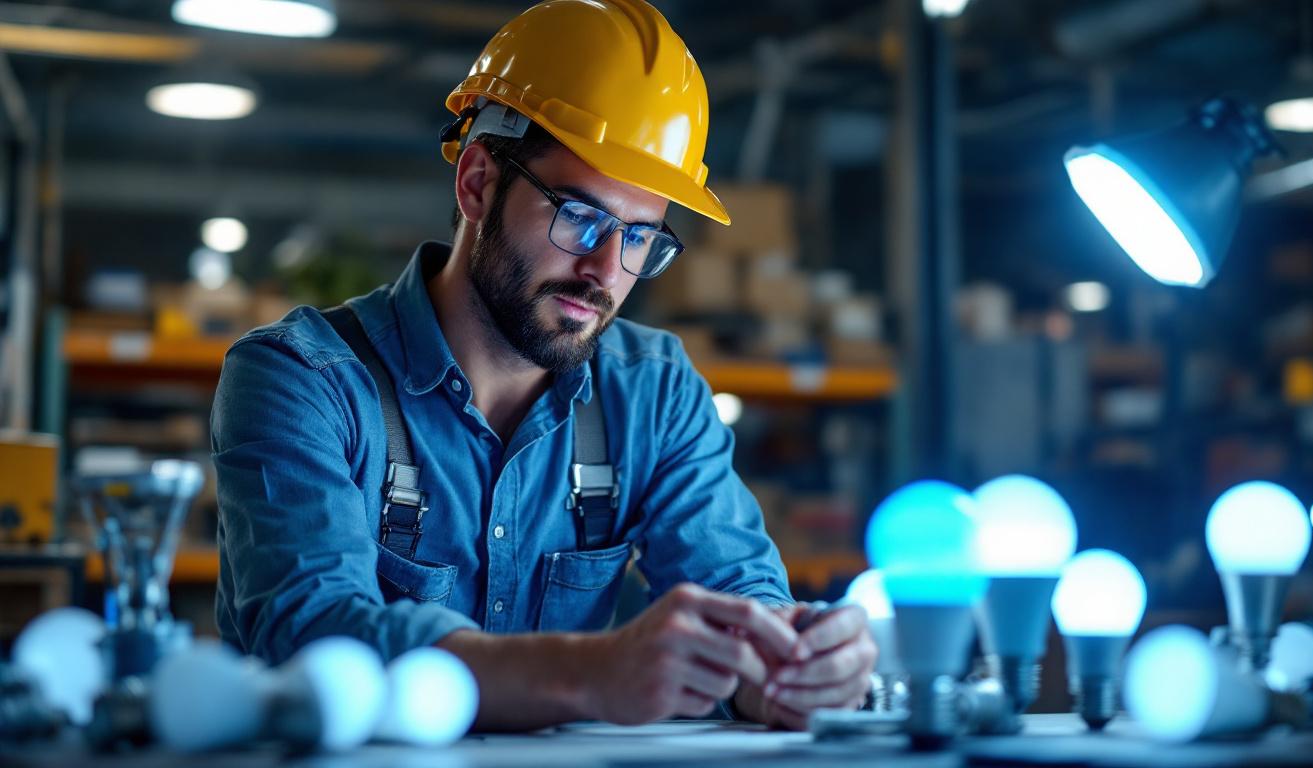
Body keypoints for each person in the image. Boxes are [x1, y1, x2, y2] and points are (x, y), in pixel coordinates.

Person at [211, 0, 875, 731]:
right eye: (581, 217)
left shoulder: (652, 393)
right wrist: (592, 676)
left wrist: (792, 669)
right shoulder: (301, 380)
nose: (604, 272)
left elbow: (742, 607)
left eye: (639, 239)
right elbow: (317, 636)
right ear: (476, 183)